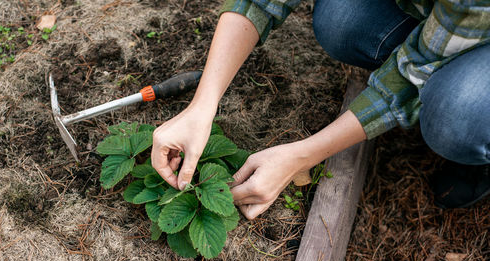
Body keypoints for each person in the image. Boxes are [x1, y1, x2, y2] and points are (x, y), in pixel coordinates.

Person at [151, 0, 490, 220]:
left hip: (474, 20)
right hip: (448, 20)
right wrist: (202, 106)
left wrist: (301, 156)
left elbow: (413, 73)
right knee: (340, 21)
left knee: (455, 118)